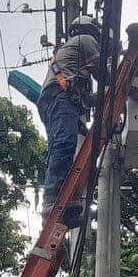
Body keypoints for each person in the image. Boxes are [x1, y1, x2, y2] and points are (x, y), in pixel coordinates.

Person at [38, 15, 104, 226]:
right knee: (65, 143)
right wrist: (118, 81)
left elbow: (88, 100)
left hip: (59, 101)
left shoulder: (73, 63)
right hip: (59, 97)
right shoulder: (85, 39)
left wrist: (104, 100)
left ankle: (71, 199)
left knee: (81, 146)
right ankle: (52, 199)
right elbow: (101, 73)